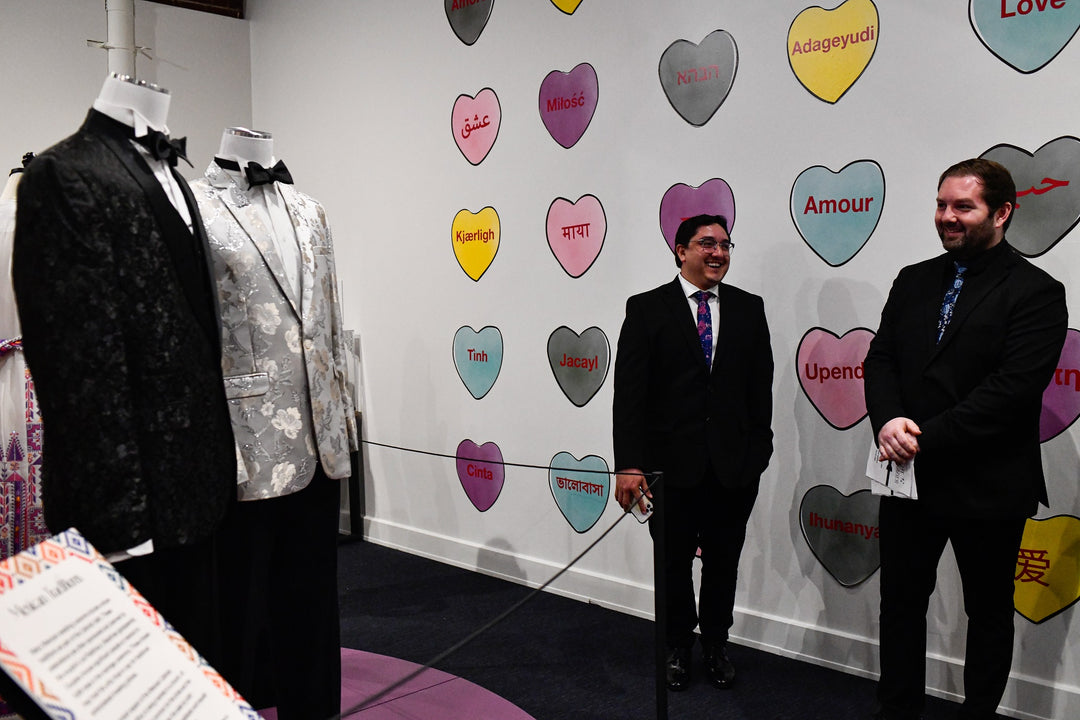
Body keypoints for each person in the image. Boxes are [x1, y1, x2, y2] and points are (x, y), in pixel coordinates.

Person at [7, 74, 236, 718]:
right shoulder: (62, 173)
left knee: (192, 691)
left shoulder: (177, 176)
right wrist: (120, 522)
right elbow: (77, 367)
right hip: (135, 514)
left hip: (198, 494)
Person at [864, 159, 1068, 720]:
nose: (947, 217)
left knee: (987, 613)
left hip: (989, 484)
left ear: (1001, 213)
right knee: (900, 607)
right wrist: (887, 419)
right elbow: (881, 359)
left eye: (963, 207)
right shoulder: (913, 279)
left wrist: (921, 436)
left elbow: (1011, 391)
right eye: (941, 204)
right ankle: (896, 710)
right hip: (908, 480)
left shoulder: (1038, 292)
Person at [190, 128, 358, 720]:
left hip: (320, 434)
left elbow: (330, 320)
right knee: (237, 602)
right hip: (244, 437)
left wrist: (341, 415)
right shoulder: (195, 210)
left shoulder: (311, 210)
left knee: (312, 599)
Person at [612, 213, 773, 692]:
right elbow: (630, 394)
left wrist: (758, 451)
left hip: (733, 468)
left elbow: (759, 386)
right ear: (680, 250)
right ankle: (677, 647)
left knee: (725, 562)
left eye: (725, 244)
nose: (718, 252)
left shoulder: (749, 307)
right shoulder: (646, 309)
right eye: (707, 243)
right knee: (673, 565)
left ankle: (717, 644)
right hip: (668, 469)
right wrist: (629, 464)